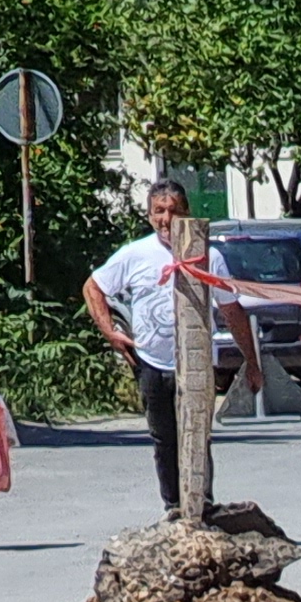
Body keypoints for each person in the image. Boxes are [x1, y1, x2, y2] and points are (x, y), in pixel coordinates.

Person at [81, 180, 252, 511]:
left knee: (197, 435)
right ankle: (174, 506)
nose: (166, 218)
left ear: (186, 214)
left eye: (174, 210)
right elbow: (93, 287)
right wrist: (110, 331)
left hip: (196, 362)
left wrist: (252, 362)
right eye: (159, 211)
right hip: (150, 362)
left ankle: (201, 503)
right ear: (149, 215)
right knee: (164, 439)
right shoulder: (135, 254)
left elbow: (232, 310)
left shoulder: (207, 257)